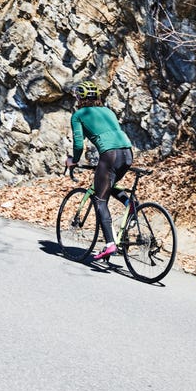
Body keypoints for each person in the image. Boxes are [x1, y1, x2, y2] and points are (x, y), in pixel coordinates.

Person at [65, 80, 133, 260]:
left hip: (109, 155)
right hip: (127, 153)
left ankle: (110, 244)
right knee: (108, 185)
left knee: (100, 199)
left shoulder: (79, 115)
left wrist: (74, 160)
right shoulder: (108, 111)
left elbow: (79, 143)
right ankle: (129, 204)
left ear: (80, 98)